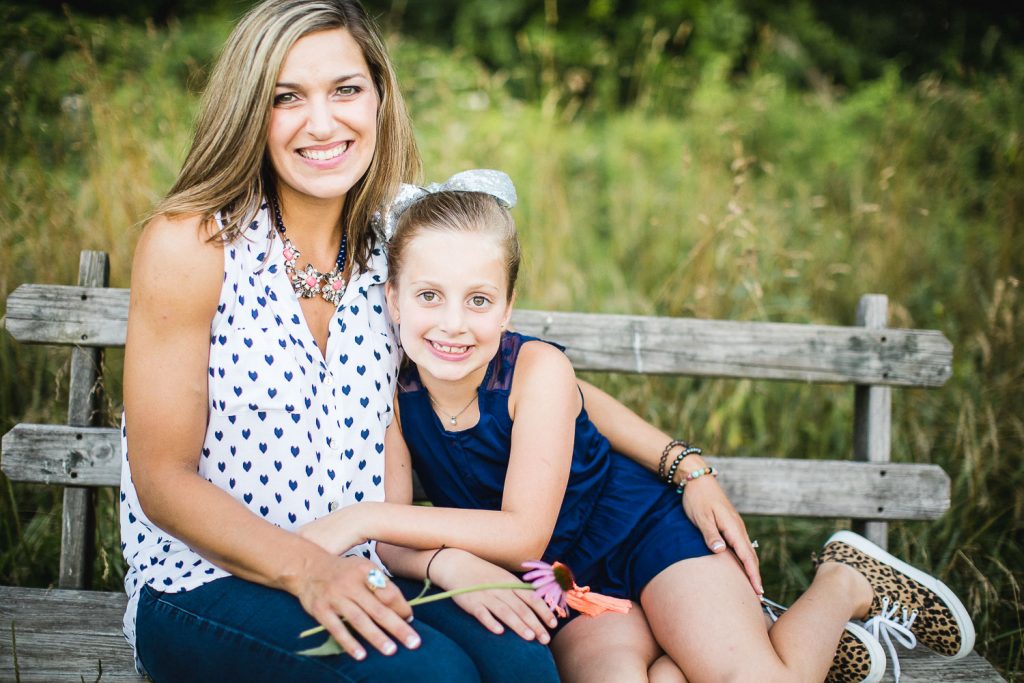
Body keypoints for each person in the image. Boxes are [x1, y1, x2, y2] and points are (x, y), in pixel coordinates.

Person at [299, 176, 977, 683]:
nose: (452, 323)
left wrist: (359, 519)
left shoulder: (535, 369)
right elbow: (393, 540)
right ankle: (717, 649)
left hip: (644, 536)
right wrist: (440, 555)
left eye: (478, 299)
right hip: (562, 585)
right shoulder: (392, 394)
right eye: (428, 295)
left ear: (508, 307)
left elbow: (512, 530)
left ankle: (843, 581)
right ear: (392, 298)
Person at [118, 2, 563, 681]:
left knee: (522, 662)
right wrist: (309, 570)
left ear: (380, 97)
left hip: (364, 563)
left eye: (345, 90)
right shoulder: (194, 244)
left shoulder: (397, 249)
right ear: (248, 112)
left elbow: (526, 370)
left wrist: (441, 558)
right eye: (286, 97)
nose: (322, 123)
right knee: (429, 676)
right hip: (200, 583)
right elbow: (163, 480)